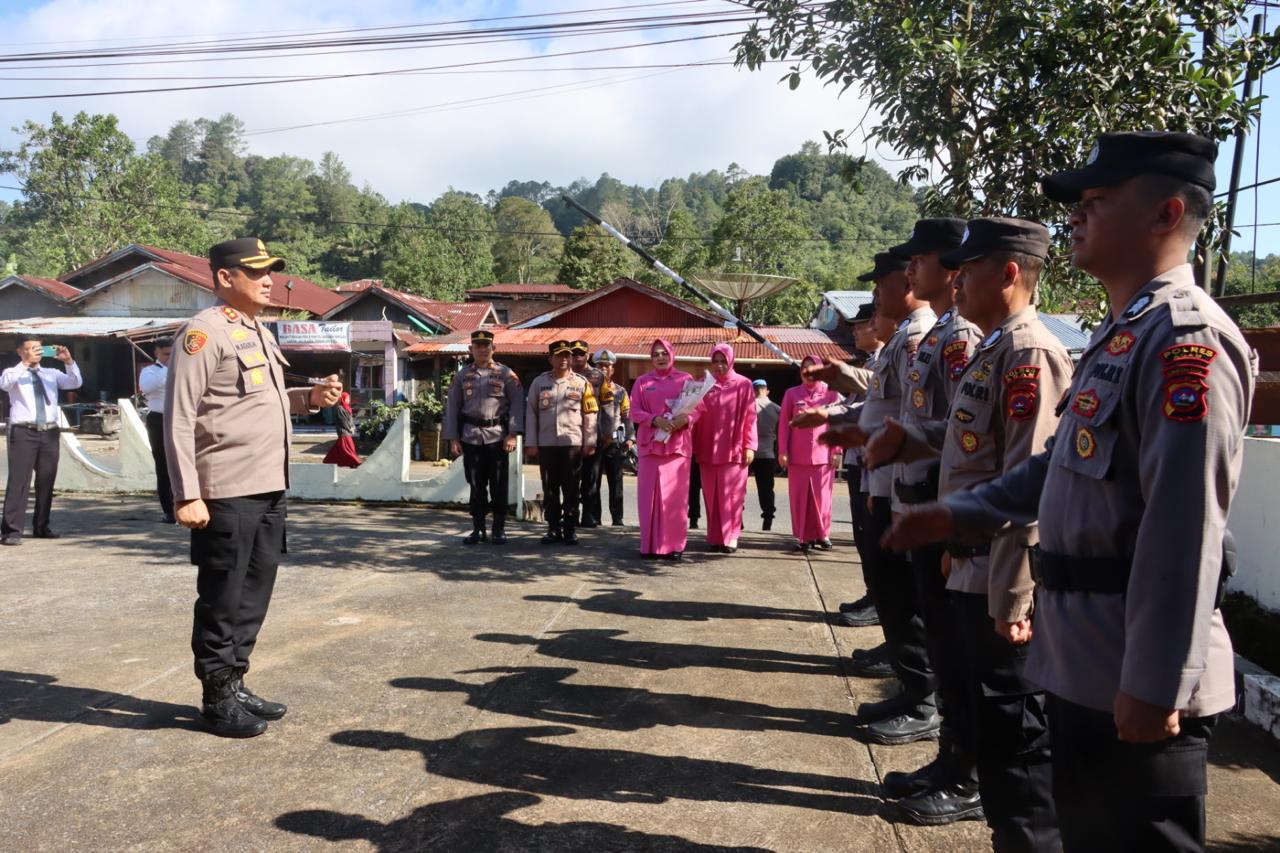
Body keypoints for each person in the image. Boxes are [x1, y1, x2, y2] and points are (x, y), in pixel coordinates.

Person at [883, 132, 1253, 852]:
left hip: (1134, 672)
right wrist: (956, 511)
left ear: (1165, 212)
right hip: (1085, 657)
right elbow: (1053, 468)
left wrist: (1156, 681)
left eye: (1096, 201)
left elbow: (1184, 527)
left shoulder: (1186, 340)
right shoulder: (1123, 334)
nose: (1076, 218)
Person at [865, 218, 1071, 842]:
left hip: (995, 569)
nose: (956, 280)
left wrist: (1012, 593)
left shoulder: (1029, 351)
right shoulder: (992, 345)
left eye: (968, 268)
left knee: (1014, 740)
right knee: (971, 693)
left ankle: (969, 784)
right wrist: (907, 437)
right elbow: (966, 442)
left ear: (1008, 274)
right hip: (967, 557)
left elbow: (1026, 486)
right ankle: (956, 767)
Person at [166, 237, 342, 738]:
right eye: (257, 271)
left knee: (254, 591)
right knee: (223, 595)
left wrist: (309, 396)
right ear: (226, 278)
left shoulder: (256, 331)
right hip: (225, 489)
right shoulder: (202, 334)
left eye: (270, 271)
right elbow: (179, 418)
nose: (269, 279)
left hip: (268, 485)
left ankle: (236, 679)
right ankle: (215, 694)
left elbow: (258, 400)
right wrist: (186, 493)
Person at [799, 252, 936, 730]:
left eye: (882, 286)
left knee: (907, 598)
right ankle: (911, 689)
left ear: (910, 281)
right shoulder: (907, 336)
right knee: (893, 596)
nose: (876, 297)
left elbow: (920, 424)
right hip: (887, 481)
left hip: (904, 487)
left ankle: (922, 701)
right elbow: (882, 405)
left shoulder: (920, 337)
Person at [443, 330, 523, 545]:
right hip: (470, 437)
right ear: (471, 349)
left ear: (493, 348)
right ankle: (478, 529)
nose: (482, 349)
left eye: (486, 345)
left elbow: (517, 405)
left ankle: (498, 529)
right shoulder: (461, 376)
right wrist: (453, 439)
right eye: (477, 345)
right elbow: (452, 407)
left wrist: (513, 434)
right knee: (476, 485)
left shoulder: (506, 374)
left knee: (498, 484)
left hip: (497, 437)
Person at [1, 338, 81, 545]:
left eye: (38, 348)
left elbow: (75, 383)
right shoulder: (13, 372)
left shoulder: (51, 374)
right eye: (29, 349)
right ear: (20, 351)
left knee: (46, 480)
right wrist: (25, 364)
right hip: (23, 431)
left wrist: (68, 361)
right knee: (19, 481)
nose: (34, 352)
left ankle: (42, 526)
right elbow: (5, 384)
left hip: (49, 431)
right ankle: (11, 530)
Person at [630, 338, 698, 561]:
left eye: (664, 353)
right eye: (655, 354)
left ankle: (674, 546)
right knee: (648, 498)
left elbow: (699, 409)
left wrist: (685, 420)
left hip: (676, 449)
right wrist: (654, 420)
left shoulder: (685, 380)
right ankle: (648, 545)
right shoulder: (642, 382)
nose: (660, 357)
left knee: (675, 498)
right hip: (650, 447)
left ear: (672, 355)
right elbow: (634, 411)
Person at [525, 340, 597, 545]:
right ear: (551, 359)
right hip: (547, 444)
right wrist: (531, 441)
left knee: (572, 488)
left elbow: (590, 414)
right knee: (550, 488)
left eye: (567, 355)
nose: (564, 359)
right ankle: (553, 527)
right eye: (559, 356)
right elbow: (531, 413)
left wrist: (589, 441)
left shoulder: (582, 383)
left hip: (572, 443)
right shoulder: (539, 383)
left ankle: (570, 528)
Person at [692, 343, 758, 553]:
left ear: (731, 361)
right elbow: (692, 414)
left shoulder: (743, 384)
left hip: (734, 450)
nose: (719, 366)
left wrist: (750, 446)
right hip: (707, 448)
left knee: (732, 496)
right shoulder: (703, 384)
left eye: (723, 361)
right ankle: (715, 537)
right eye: (716, 361)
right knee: (711, 495)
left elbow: (750, 418)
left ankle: (730, 537)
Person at [778, 355, 841, 550]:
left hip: (823, 457)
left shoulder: (831, 394)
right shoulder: (791, 394)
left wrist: (837, 450)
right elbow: (783, 426)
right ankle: (803, 537)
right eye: (804, 368)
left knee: (822, 500)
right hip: (797, 457)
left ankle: (823, 534)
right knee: (799, 499)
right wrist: (783, 451)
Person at [585, 349, 634, 527]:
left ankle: (617, 518)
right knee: (592, 481)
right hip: (593, 441)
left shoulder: (621, 391)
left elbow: (627, 416)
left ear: (613, 369)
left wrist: (630, 438)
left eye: (607, 366)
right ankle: (594, 517)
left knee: (616, 481)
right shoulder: (587, 387)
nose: (604, 368)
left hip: (613, 441)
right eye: (600, 365)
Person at [139, 339, 176, 523]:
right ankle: (169, 510)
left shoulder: (182, 369)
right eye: (166, 354)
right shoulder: (149, 371)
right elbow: (147, 388)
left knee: (183, 464)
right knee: (163, 465)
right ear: (157, 353)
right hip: (159, 419)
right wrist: (168, 369)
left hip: (180, 419)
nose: (170, 357)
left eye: (172, 353)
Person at [571, 339, 606, 527]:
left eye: (581, 353)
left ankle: (588, 514)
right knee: (571, 477)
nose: (577, 357)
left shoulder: (598, 376)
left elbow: (608, 406)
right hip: (570, 434)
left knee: (591, 478)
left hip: (593, 433)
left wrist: (607, 432)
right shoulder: (563, 376)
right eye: (574, 353)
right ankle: (572, 513)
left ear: (588, 355)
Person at [750, 378, 780, 530]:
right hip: (768, 453)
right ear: (767, 391)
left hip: (748, 452)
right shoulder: (776, 408)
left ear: (752, 390)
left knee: (739, 489)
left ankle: (738, 520)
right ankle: (768, 518)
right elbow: (782, 433)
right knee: (766, 489)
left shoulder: (747, 406)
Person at [322, 384, 362, 469]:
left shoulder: (347, 408)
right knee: (348, 448)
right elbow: (343, 421)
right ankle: (355, 461)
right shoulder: (340, 408)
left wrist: (353, 427)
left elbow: (350, 419)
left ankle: (330, 460)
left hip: (347, 431)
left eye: (349, 398)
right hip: (343, 431)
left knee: (339, 448)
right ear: (343, 398)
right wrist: (350, 428)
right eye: (347, 398)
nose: (349, 400)